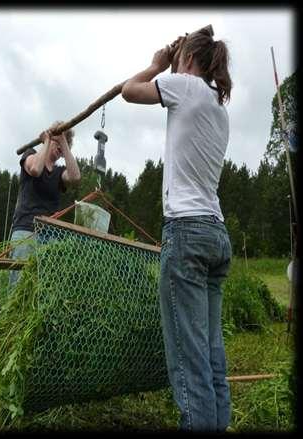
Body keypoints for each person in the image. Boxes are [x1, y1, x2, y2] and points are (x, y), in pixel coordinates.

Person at [121, 27, 233, 432]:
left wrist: (155, 64)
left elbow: (130, 91)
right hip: (216, 234)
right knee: (211, 354)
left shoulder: (184, 85)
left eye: (180, 56)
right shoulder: (219, 108)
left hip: (186, 233)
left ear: (188, 59)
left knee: (188, 361)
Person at [8, 121, 81, 288]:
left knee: (44, 289)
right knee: (19, 287)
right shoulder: (30, 155)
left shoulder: (58, 172)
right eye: (58, 142)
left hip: (49, 236)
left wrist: (63, 141)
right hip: (26, 231)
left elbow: (75, 177)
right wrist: (47, 141)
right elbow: (35, 169)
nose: (60, 149)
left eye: (64, 147)